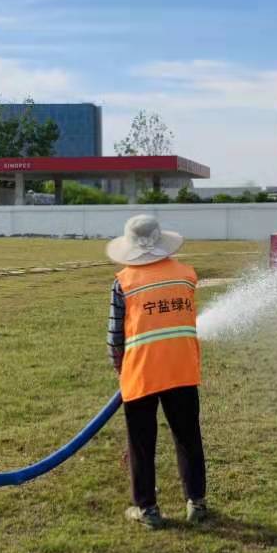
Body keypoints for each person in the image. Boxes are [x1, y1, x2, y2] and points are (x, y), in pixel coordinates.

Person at [106, 214, 208, 529]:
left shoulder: (123, 281)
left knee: (141, 441)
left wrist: (119, 366)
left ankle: (147, 510)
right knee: (188, 436)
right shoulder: (185, 275)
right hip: (181, 369)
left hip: (141, 372)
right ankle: (197, 503)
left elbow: (115, 337)